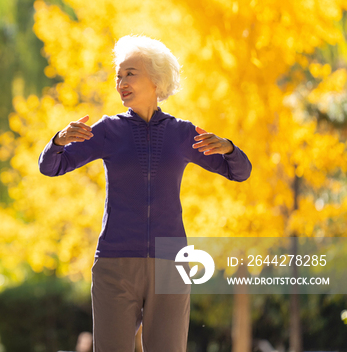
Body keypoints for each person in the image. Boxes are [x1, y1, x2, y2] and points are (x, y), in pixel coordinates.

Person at [38, 35, 251, 351]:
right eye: (118, 75)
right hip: (115, 262)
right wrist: (59, 140)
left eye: (130, 73)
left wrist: (229, 148)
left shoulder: (182, 134)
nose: (120, 82)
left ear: (156, 78)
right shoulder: (107, 130)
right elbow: (51, 166)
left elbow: (239, 171)